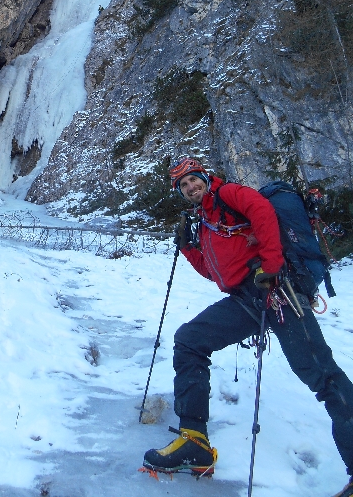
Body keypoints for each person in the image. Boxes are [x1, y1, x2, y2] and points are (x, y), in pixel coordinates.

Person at [142, 157, 353, 497]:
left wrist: (271, 265)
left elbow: (262, 212)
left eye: (194, 180)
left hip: (277, 291)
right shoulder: (208, 219)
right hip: (246, 296)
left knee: (321, 375)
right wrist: (187, 248)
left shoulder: (229, 194)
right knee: (190, 340)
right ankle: (194, 442)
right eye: (183, 186)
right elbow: (216, 272)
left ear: (205, 178)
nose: (190, 187)